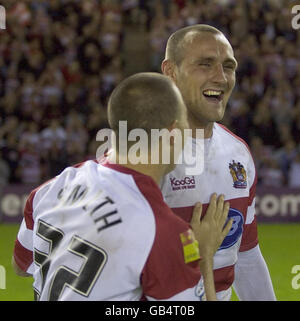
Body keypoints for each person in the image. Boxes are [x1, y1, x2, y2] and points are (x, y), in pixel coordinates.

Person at [12, 72, 232, 301]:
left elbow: (21, 267)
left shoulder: (50, 189)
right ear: (173, 133)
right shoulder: (162, 231)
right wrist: (204, 257)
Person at [161, 24, 276, 301]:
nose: (221, 78)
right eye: (205, 64)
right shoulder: (144, 157)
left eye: (228, 66)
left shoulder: (239, 153)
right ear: (170, 72)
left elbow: (246, 254)